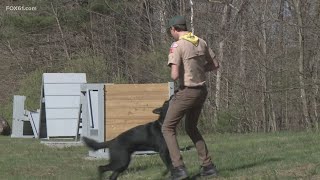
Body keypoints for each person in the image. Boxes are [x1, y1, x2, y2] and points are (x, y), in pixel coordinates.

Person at [161, 15, 220, 180]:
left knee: (167, 128)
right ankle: (208, 166)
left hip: (187, 92)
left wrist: (182, 72)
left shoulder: (177, 45)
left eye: (170, 31)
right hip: (201, 91)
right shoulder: (201, 41)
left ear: (174, 29)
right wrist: (198, 71)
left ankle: (179, 169)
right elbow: (215, 65)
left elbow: (174, 75)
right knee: (191, 128)